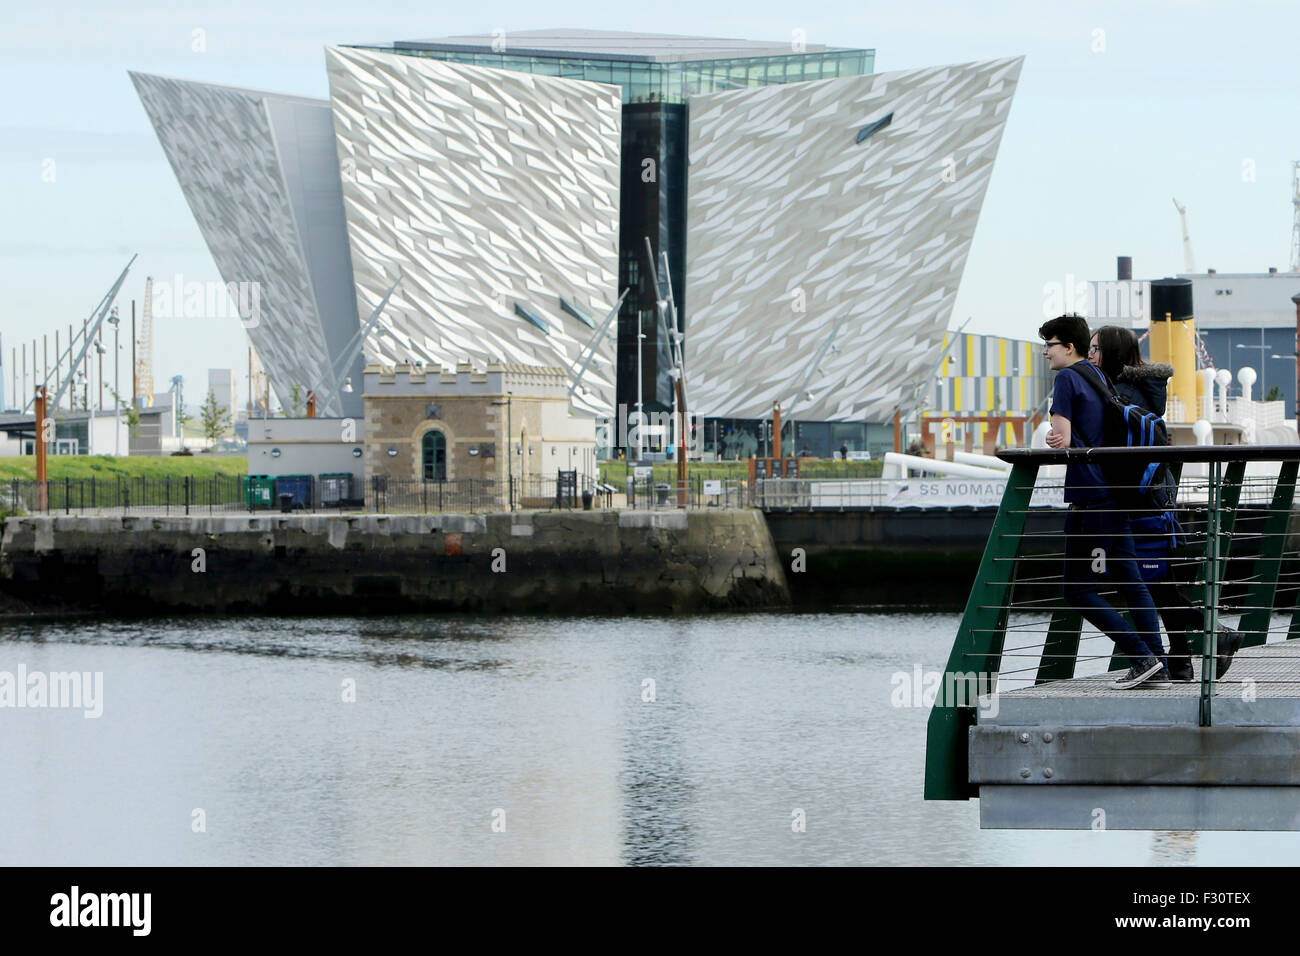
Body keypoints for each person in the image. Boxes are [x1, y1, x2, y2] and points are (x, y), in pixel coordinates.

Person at [1090, 325, 1243, 681]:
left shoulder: (1123, 395)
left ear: (1111, 353)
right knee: (1161, 587)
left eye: (1096, 349)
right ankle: (1182, 663)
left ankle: (1219, 635)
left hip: (1140, 505)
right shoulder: (1143, 391)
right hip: (1156, 501)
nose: (1092, 355)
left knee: (1156, 587)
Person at [1041, 315, 1169, 689]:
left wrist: (1054, 437)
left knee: (1078, 590)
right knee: (1131, 578)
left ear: (1069, 348)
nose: (1046, 352)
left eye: (1050, 345)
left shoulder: (1066, 378)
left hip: (1090, 498)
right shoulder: (1097, 376)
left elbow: (1061, 438)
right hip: (1115, 496)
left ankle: (1142, 657)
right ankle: (1158, 663)